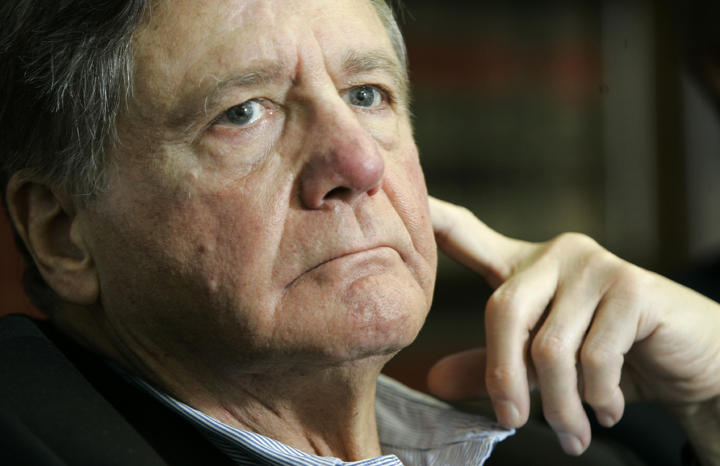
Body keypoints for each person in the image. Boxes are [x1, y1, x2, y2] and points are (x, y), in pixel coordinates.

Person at [0, 0, 718, 465]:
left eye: (367, 95)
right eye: (244, 112)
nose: (360, 163)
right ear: (62, 232)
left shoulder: (570, 455)